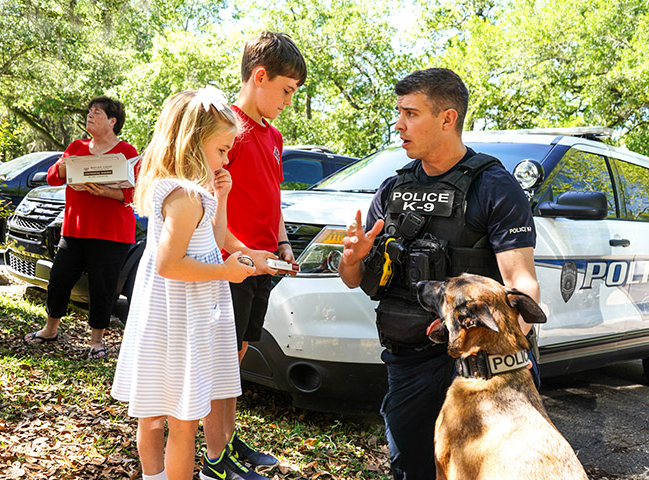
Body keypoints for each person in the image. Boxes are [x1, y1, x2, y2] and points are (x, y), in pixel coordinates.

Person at [337, 68, 540, 480]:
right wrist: (353, 258)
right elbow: (353, 279)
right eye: (399, 113)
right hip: (409, 357)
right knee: (411, 468)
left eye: (411, 114)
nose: (399, 125)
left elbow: (521, 279)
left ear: (448, 118)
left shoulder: (494, 186)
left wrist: (513, 358)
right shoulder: (393, 189)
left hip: (479, 363)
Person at [111, 88, 254, 480]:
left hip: (163, 315)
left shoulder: (183, 191)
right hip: (179, 320)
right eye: (222, 150)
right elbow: (170, 264)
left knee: (152, 416)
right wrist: (225, 272)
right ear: (193, 143)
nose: (226, 159)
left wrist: (221, 197)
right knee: (183, 422)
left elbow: (212, 235)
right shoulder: (186, 196)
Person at [199, 31, 307, 480]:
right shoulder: (227, 129)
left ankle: (226, 439)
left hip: (263, 264)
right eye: (286, 91)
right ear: (259, 76)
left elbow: (272, 197)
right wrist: (237, 252)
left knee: (236, 359)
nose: (288, 101)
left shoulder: (275, 136)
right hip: (230, 264)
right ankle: (213, 457)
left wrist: (281, 243)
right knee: (220, 363)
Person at [23, 96, 138, 359]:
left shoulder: (128, 153)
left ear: (112, 121)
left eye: (96, 112)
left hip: (112, 234)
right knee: (59, 280)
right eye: (89, 111)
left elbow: (137, 192)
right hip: (74, 230)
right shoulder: (76, 147)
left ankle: (96, 343)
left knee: (102, 287)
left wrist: (106, 192)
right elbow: (53, 179)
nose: (90, 115)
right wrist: (62, 165)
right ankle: (50, 330)